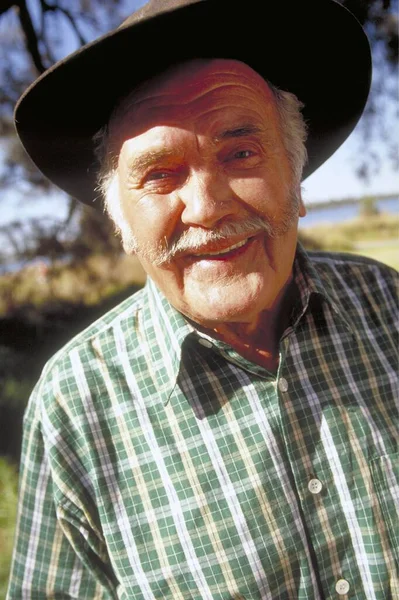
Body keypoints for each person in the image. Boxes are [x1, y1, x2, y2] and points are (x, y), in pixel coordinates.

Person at [7, 1, 398, 598]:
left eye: (240, 154)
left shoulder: (389, 308)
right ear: (123, 226)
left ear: (295, 181)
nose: (209, 205)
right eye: (160, 174)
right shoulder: (74, 409)